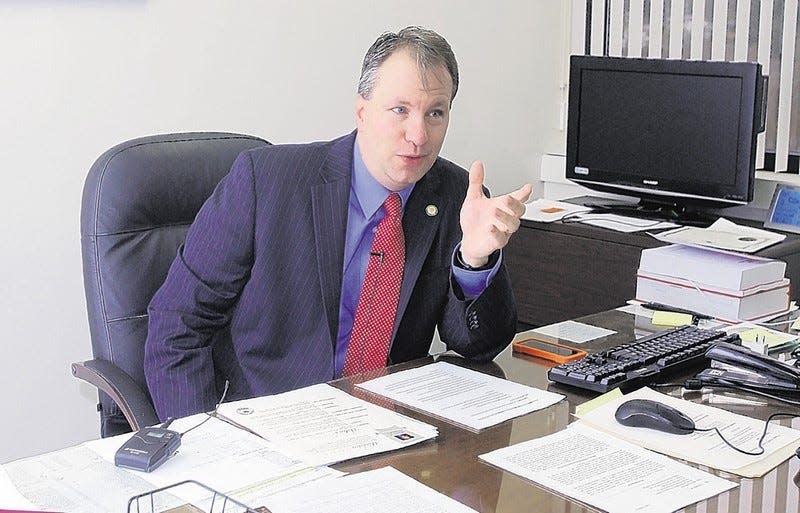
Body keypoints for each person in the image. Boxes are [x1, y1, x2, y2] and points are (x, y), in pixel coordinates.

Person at [144, 26, 532, 421]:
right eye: (400, 110)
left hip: (387, 430)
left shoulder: (455, 196)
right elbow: (177, 324)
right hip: (269, 424)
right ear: (362, 111)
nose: (418, 136)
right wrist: (204, 444)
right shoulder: (265, 182)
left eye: (435, 113)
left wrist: (475, 261)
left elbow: (479, 347)